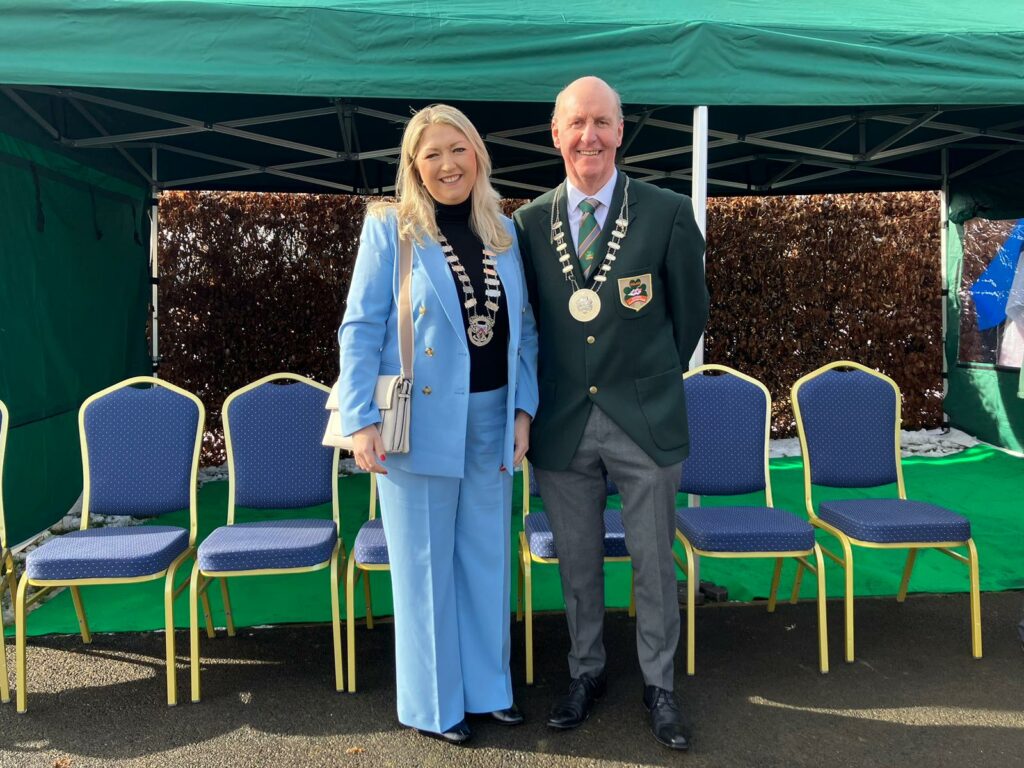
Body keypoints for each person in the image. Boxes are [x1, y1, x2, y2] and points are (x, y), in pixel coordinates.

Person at [513, 76, 708, 751]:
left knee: (655, 558)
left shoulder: (667, 211)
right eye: (577, 123)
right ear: (556, 133)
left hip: (645, 418)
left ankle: (660, 684)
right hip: (564, 420)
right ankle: (586, 671)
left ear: (621, 132)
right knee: (578, 561)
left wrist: (646, 378)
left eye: (602, 122)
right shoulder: (529, 222)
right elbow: (530, 322)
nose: (589, 136)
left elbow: (690, 315)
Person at [337, 104, 539, 745]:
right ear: (413, 166)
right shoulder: (389, 228)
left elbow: (525, 330)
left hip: (492, 415)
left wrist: (524, 409)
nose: (447, 164)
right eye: (432, 154)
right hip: (416, 418)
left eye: (458, 149)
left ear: (476, 154)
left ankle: (488, 688)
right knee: (423, 566)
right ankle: (432, 705)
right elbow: (360, 327)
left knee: (486, 559)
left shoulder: (504, 230)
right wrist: (359, 419)